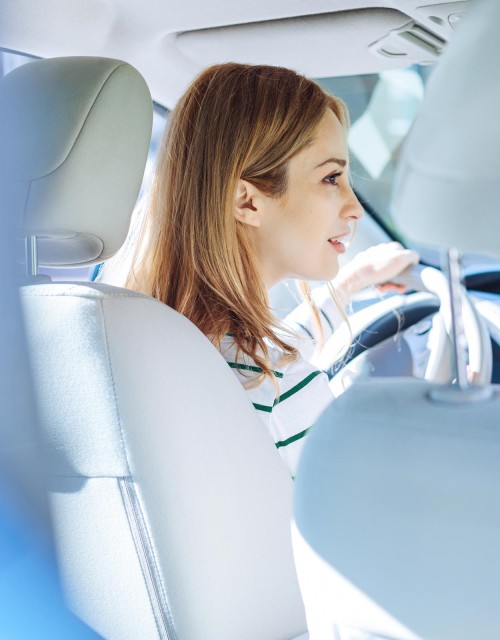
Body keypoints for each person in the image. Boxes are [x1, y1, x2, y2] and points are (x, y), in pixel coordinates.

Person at [105, 63, 418, 474]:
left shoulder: (139, 334)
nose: (355, 207)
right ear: (247, 203)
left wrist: (351, 283)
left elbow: (257, 347)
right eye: (331, 178)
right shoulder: (283, 391)